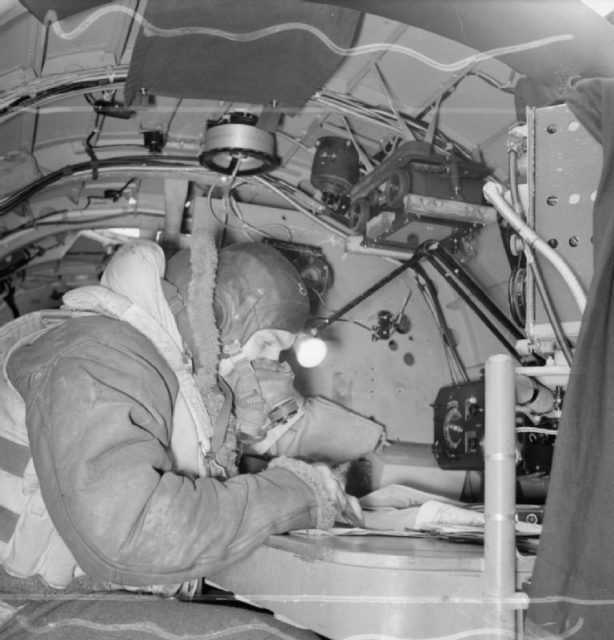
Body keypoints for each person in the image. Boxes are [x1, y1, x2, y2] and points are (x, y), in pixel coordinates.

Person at [0, 235, 383, 596]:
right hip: (29, 597)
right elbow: (131, 533)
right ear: (219, 314)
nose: (269, 362)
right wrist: (300, 494)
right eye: (267, 342)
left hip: (77, 588)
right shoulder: (98, 356)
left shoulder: (144, 361)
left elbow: (171, 471)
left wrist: (284, 475)